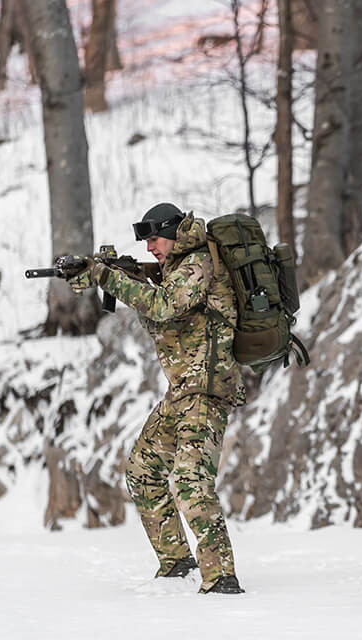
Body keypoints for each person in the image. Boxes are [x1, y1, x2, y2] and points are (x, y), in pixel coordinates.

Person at [69, 203, 246, 594]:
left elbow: (164, 305)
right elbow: (158, 296)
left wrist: (107, 277)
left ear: (174, 232)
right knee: (142, 472)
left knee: (189, 480)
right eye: (146, 241)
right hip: (182, 391)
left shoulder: (198, 263)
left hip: (206, 390)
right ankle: (177, 562)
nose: (150, 248)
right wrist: (108, 275)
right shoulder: (174, 267)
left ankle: (221, 578)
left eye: (154, 239)